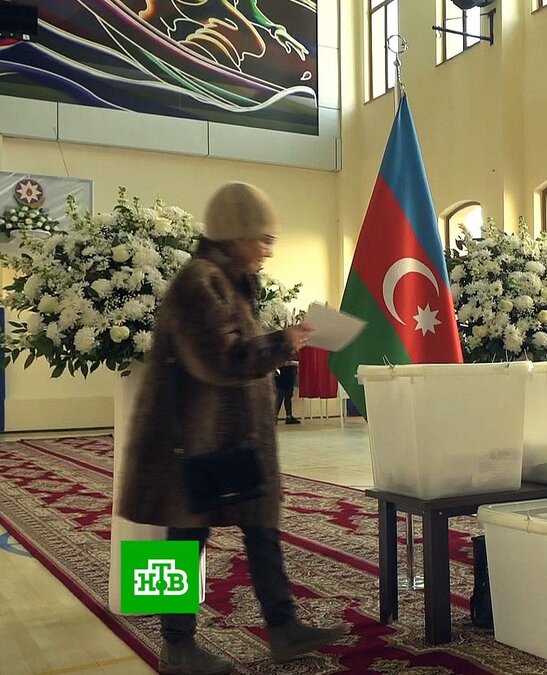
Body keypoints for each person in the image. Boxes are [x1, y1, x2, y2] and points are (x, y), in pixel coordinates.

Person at [115, 183, 346, 675]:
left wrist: (282, 341)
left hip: (226, 439)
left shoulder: (229, 280)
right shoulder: (199, 282)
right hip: (188, 442)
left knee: (260, 526)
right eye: (263, 239)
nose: (269, 250)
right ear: (234, 234)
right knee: (181, 538)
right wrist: (282, 342)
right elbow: (219, 359)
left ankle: (283, 627)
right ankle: (175, 645)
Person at [275, 360, 300, 424]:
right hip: (283, 376)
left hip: (287, 376)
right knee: (281, 397)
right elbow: (283, 363)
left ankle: (287, 416)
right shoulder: (281, 356)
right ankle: (277, 416)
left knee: (286, 397)